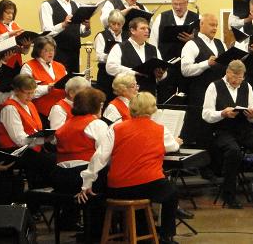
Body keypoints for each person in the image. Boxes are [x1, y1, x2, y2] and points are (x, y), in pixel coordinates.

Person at [76, 92, 182, 244]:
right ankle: (166, 235)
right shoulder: (160, 129)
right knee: (171, 192)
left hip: (118, 188)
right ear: (153, 109)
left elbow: (99, 157)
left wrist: (87, 182)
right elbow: (171, 146)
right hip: (148, 184)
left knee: (142, 194)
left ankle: (142, 232)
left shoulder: (115, 128)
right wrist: (177, 142)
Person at [203, 60, 253, 209]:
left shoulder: (246, 86)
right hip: (222, 130)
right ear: (228, 73)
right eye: (235, 77)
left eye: (241, 77)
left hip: (243, 129)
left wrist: (252, 114)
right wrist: (222, 113)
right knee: (233, 151)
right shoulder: (214, 86)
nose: (238, 81)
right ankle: (229, 194)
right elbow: (206, 114)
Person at [51, 88, 109, 232]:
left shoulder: (66, 124)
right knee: (114, 180)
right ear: (95, 105)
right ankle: (100, 231)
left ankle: (71, 221)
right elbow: (103, 155)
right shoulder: (97, 124)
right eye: (101, 104)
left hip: (60, 178)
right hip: (81, 177)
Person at [0, 74, 56, 188]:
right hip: (14, 152)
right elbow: (19, 140)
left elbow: (35, 128)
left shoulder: (30, 104)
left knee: (58, 157)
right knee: (50, 161)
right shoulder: (10, 108)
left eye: (32, 92)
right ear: (16, 91)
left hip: (31, 148)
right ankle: (37, 194)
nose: (30, 96)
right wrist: (42, 140)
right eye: (27, 93)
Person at [180, 13, 226, 149]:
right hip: (200, 95)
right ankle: (204, 166)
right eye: (212, 25)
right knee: (203, 132)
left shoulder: (220, 43)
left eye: (216, 25)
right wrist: (206, 63)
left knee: (219, 132)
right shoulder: (191, 45)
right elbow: (185, 70)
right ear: (201, 24)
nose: (214, 28)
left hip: (220, 95)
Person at [150, 0, 199, 100]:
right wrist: (157, 66)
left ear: (187, 2)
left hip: (189, 70)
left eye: (181, 4)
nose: (177, 7)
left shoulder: (197, 19)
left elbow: (203, 44)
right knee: (165, 102)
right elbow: (153, 45)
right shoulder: (161, 18)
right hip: (166, 70)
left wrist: (193, 40)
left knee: (187, 102)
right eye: (174, 4)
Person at [39, 0, 91, 72]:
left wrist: (87, 27)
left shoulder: (77, 5)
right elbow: (46, 32)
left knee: (73, 83)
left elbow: (80, 32)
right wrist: (63, 25)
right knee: (59, 81)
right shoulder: (47, 5)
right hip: (57, 51)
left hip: (75, 51)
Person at [105, 17, 166, 95]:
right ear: (133, 30)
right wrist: (134, 72)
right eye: (142, 28)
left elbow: (161, 72)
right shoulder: (119, 47)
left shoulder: (153, 49)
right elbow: (110, 67)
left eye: (147, 28)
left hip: (149, 94)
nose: (147, 31)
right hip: (127, 94)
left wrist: (161, 74)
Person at [21, 36, 67, 120]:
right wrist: (47, 88)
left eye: (52, 50)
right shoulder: (28, 67)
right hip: (40, 114)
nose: (50, 53)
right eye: (46, 50)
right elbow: (24, 91)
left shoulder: (60, 66)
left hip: (61, 112)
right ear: (38, 51)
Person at [94, 9, 125, 102]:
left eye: (118, 24)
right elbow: (99, 56)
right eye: (113, 24)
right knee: (105, 100)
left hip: (121, 74)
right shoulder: (102, 35)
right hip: (105, 74)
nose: (115, 27)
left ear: (122, 24)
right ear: (109, 23)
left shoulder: (126, 36)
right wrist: (113, 55)